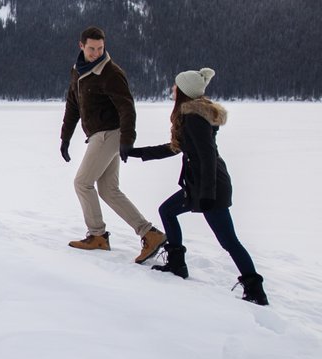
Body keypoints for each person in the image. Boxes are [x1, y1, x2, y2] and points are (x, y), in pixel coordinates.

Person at [125, 67, 268, 305]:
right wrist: (135, 153)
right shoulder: (191, 115)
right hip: (199, 185)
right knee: (167, 211)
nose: (172, 89)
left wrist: (208, 195)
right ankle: (177, 264)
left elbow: (208, 156)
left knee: (228, 240)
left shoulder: (193, 118)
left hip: (210, 188)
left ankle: (255, 290)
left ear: (184, 91)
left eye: (175, 86)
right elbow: (174, 147)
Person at [60, 26, 166, 262]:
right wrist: (65, 137)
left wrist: (127, 139)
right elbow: (73, 106)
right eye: (92, 48)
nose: (97, 52)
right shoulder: (78, 70)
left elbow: (126, 107)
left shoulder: (110, 72)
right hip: (100, 134)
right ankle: (150, 234)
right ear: (81, 46)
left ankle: (97, 235)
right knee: (108, 190)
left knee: (82, 182)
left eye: (100, 48)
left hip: (109, 133)